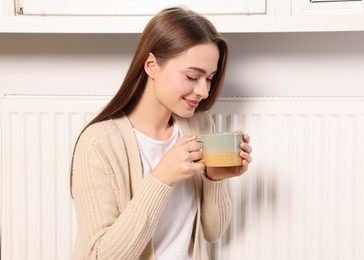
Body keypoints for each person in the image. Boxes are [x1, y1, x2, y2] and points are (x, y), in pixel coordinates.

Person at [70, 6, 252, 260]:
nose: (204, 91)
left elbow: (213, 232)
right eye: (192, 76)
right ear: (151, 65)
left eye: (209, 78)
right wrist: (160, 179)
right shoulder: (99, 144)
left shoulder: (199, 127)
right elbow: (100, 256)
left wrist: (214, 179)